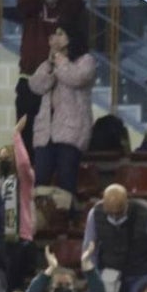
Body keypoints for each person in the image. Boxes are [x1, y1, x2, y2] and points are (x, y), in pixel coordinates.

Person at [28, 22, 94, 206]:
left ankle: (67, 221)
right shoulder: (51, 62)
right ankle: (42, 220)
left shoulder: (85, 61)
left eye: (60, 33)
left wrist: (59, 60)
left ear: (71, 37)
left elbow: (76, 78)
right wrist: (50, 63)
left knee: (66, 181)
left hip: (70, 132)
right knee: (40, 180)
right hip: (45, 133)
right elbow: (36, 85)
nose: (54, 38)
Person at [14, 0, 86, 156]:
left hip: (60, 82)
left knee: (56, 146)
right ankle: (27, 178)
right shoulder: (30, 3)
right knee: (25, 143)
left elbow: (77, 10)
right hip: (30, 76)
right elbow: (22, 6)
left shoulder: (71, 4)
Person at [0, 117, 38, 292]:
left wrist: (16, 135)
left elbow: (23, 164)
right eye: (1, 159)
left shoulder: (24, 181)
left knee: (14, 287)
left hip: (18, 238)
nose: (3, 162)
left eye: (7, 158)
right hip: (2, 240)